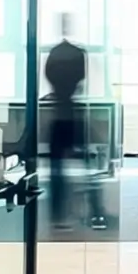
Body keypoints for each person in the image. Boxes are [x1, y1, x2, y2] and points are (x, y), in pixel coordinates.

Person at [45, 14, 87, 230]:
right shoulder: (78, 53)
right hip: (71, 115)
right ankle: (88, 211)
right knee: (82, 166)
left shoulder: (55, 53)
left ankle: (58, 214)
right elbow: (80, 77)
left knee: (57, 169)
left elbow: (48, 74)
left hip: (58, 116)